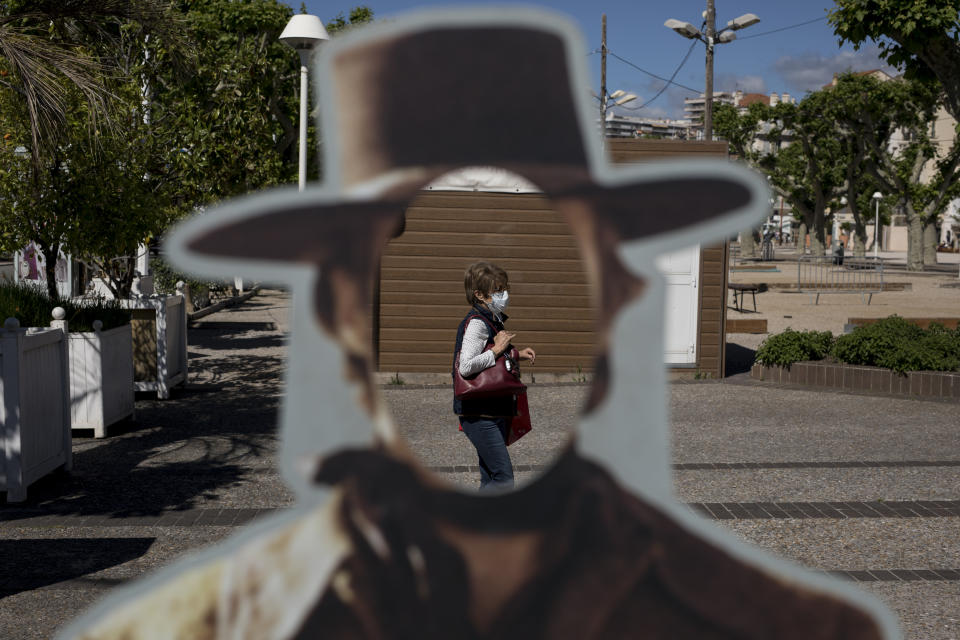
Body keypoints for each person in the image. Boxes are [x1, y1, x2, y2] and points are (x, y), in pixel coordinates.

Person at [453, 261, 535, 490]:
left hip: (492, 410)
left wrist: (517, 354)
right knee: (503, 478)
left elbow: (492, 359)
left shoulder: (492, 319)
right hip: (480, 414)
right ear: (479, 294)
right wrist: (498, 349)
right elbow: (466, 367)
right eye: (497, 290)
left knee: (490, 477)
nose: (504, 294)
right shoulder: (478, 323)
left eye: (505, 288)